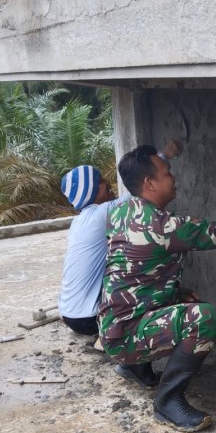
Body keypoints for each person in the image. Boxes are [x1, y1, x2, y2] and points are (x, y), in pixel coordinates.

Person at [99, 146, 216, 432]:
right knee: (206, 318)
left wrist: (173, 292)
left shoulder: (123, 211)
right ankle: (167, 400)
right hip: (125, 335)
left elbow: (135, 273)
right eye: (166, 173)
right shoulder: (162, 226)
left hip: (114, 325)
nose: (173, 178)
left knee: (185, 300)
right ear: (149, 184)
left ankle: (135, 366)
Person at [58, 141, 182, 336]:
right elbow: (139, 189)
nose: (107, 183)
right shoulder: (99, 216)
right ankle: (124, 344)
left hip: (69, 313)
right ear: (90, 191)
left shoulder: (79, 222)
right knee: (150, 285)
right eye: (100, 182)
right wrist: (165, 155)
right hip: (88, 318)